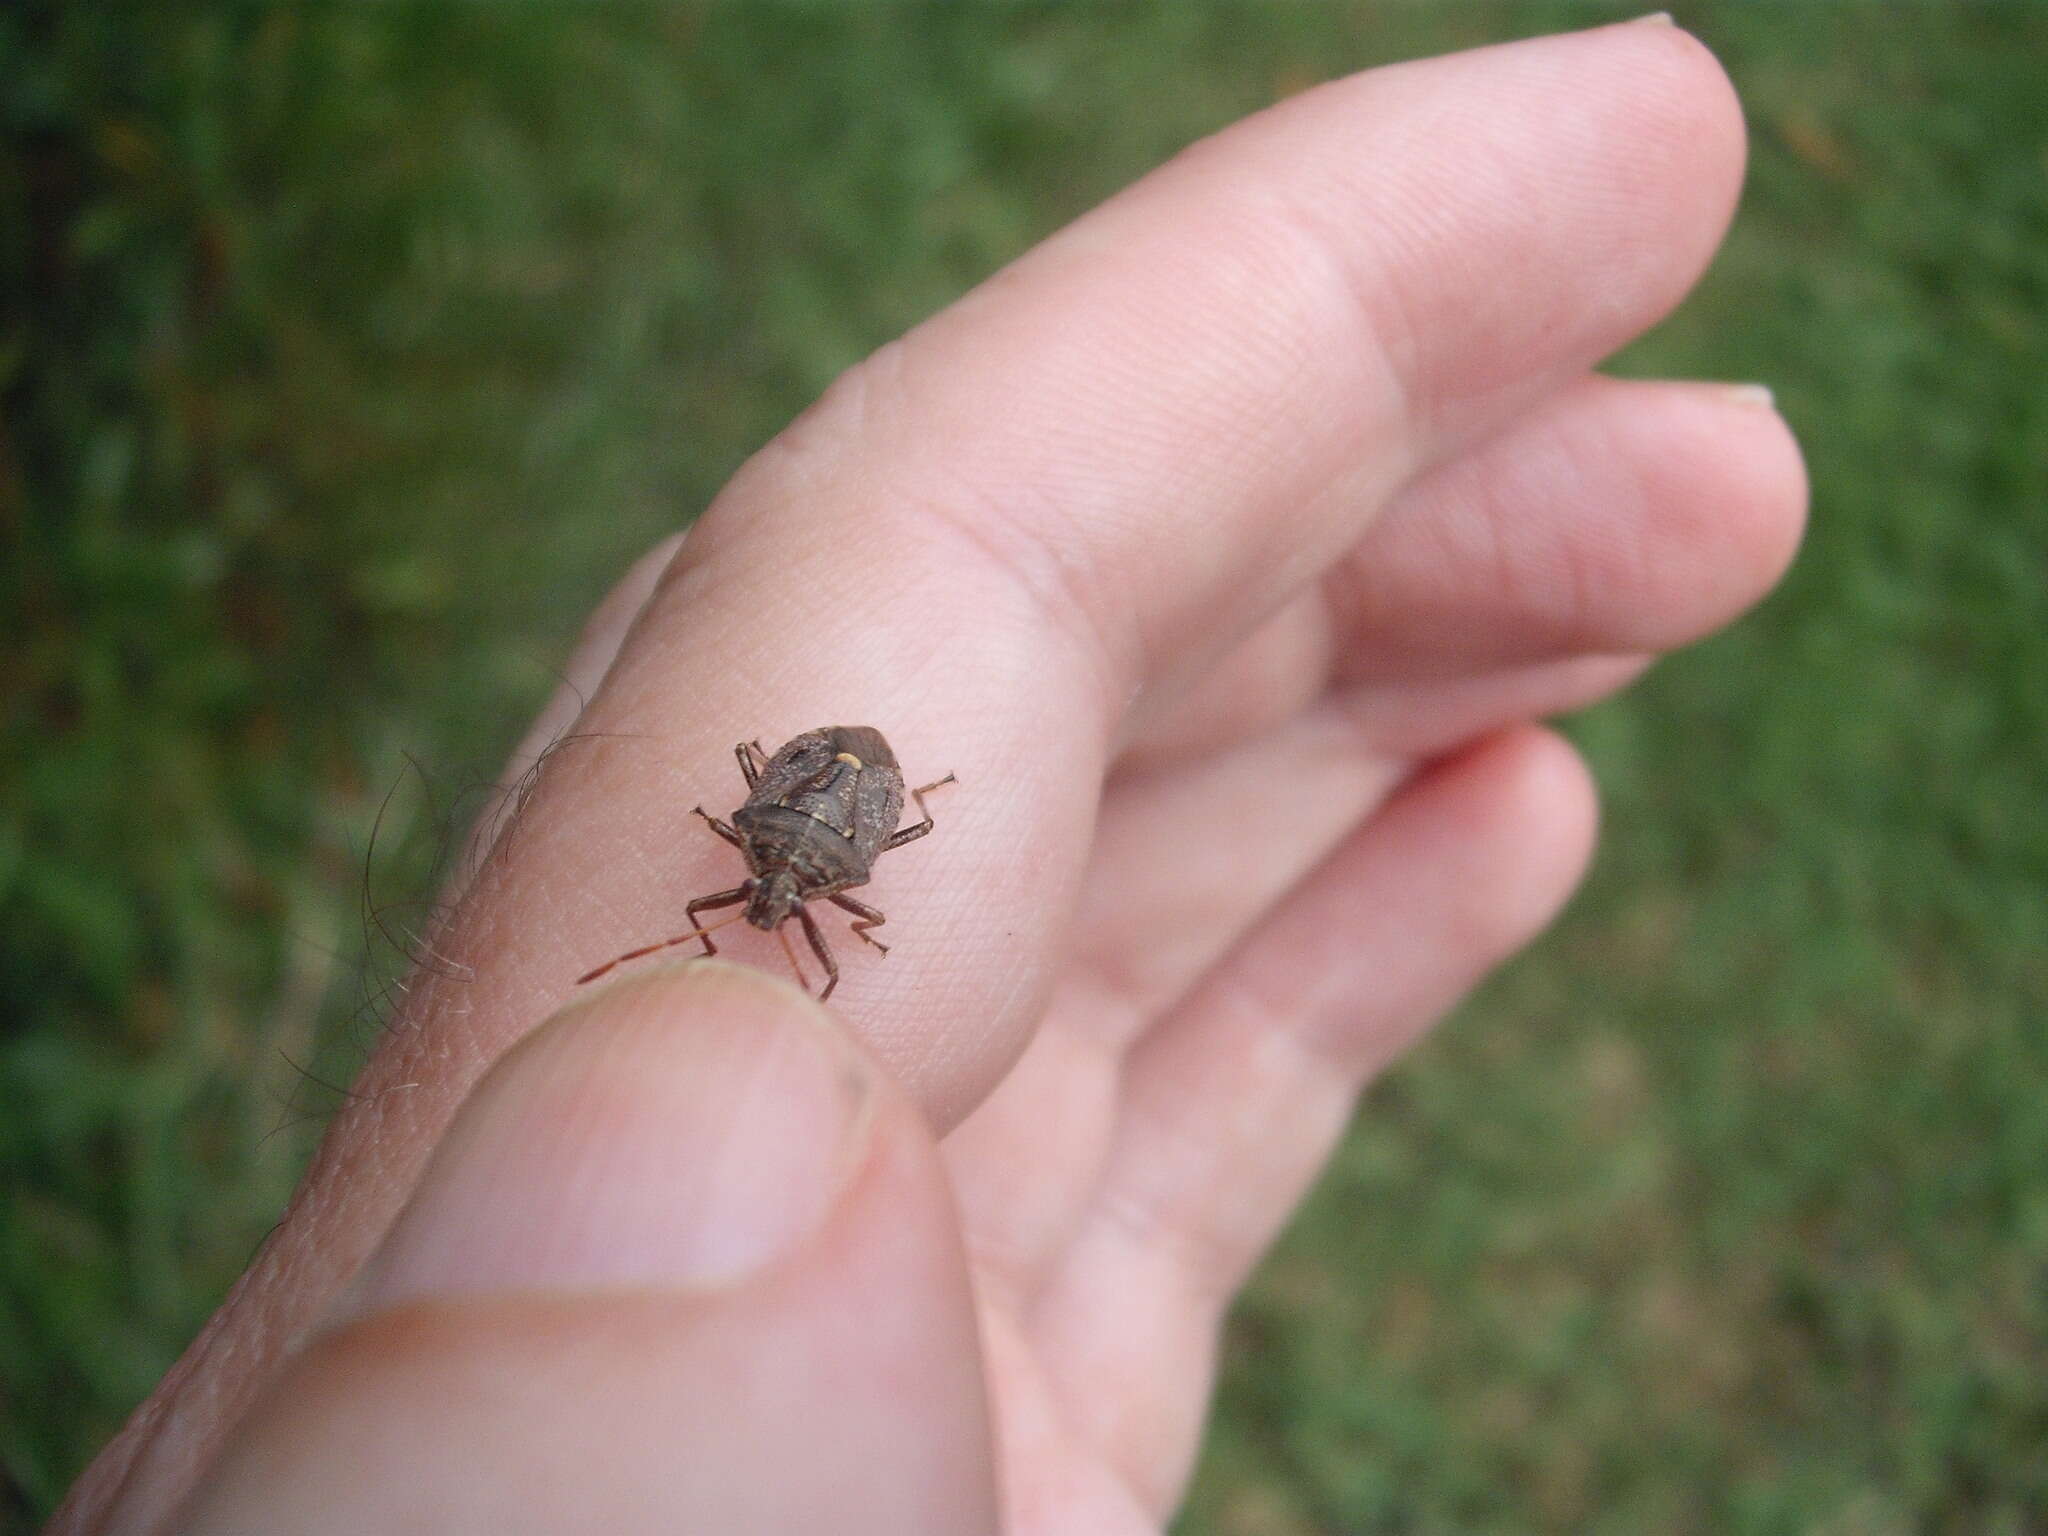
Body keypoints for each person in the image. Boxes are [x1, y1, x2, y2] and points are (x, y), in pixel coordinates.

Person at [55, 16, 1805, 1533]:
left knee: (819, 880)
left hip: (853, 772)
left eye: (787, 890)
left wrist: (824, 876)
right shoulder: (782, 867)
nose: (774, 896)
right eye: (776, 885)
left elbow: (817, 818)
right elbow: (798, 831)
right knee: (804, 885)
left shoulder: (798, 867)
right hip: (848, 775)